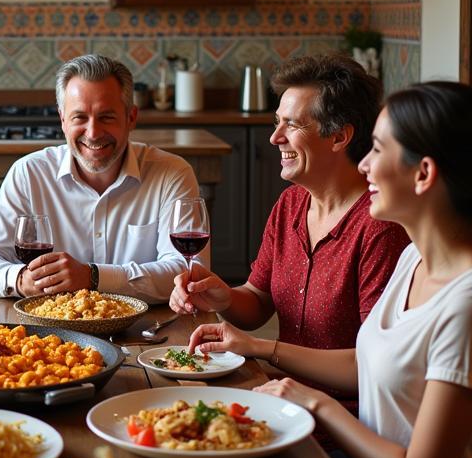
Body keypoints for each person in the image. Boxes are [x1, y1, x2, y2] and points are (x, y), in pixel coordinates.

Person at [189, 81, 472, 458]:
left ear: (424, 174)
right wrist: (261, 350)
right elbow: (367, 363)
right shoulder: (416, 261)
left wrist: (316, 404)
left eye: (378, 150)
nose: (363, 167)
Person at [170, 54, 409, 416]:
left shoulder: (380, 227)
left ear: (340, 136)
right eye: (277, 122)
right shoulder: (292, 204)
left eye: (292, 125)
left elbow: (373, 366)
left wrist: (263, 349)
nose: (275, 137)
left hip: (349, 422)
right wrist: (222, 298)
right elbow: (257, 300)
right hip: (284, 399)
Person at [0, 53, 201, 302]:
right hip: (50, 335)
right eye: (80, 117)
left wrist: (93, 277)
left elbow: (189, 272)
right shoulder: (29, 173)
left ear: (131, 118)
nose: (93, 133)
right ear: (63, 120)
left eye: (106, 117)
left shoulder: (172, 174)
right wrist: (20, 279)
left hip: (146, 332)